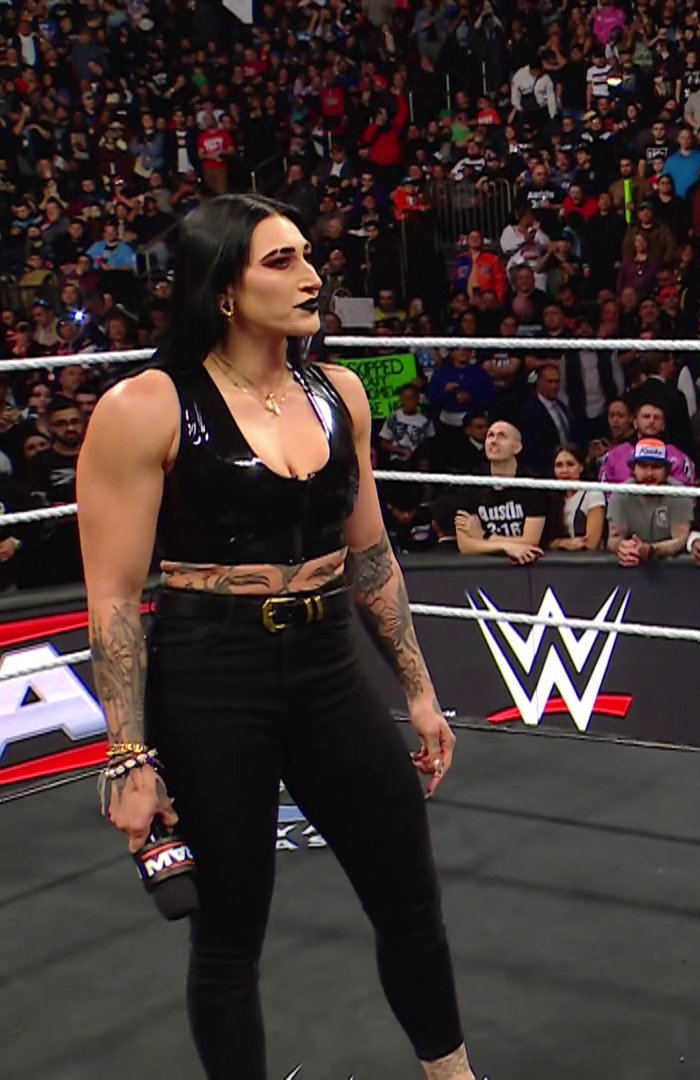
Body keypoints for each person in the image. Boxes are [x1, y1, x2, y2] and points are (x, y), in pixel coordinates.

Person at [74, 195, 478, 1080]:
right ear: (223, 287)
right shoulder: (146, 407)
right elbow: (114, 597)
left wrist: (418, 690)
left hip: (329, 661)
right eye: (282, 261)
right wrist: (128, 755)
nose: (312, 277)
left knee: (411, 897)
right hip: (211, 671)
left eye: (308, 257)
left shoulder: (338, 393)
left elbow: (370, 557)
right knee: (230, 932)